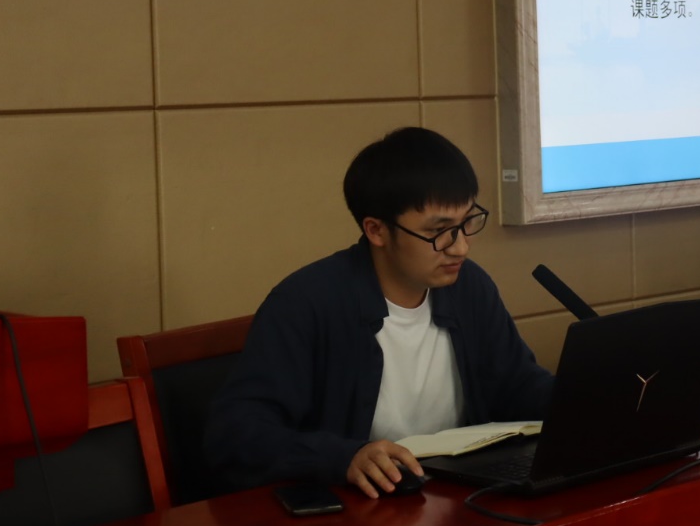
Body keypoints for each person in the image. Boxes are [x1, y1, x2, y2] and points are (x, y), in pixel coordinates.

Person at [205, 127, 554, 497]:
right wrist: (344, 457)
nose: (461, 247)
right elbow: (237, 434)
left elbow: (516, 385)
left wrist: (585, 400)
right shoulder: (306, 303)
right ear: (376, 230)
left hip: (453, 493)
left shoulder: (469, 287)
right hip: (359, 504)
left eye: (467, 222)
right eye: (440, 231)